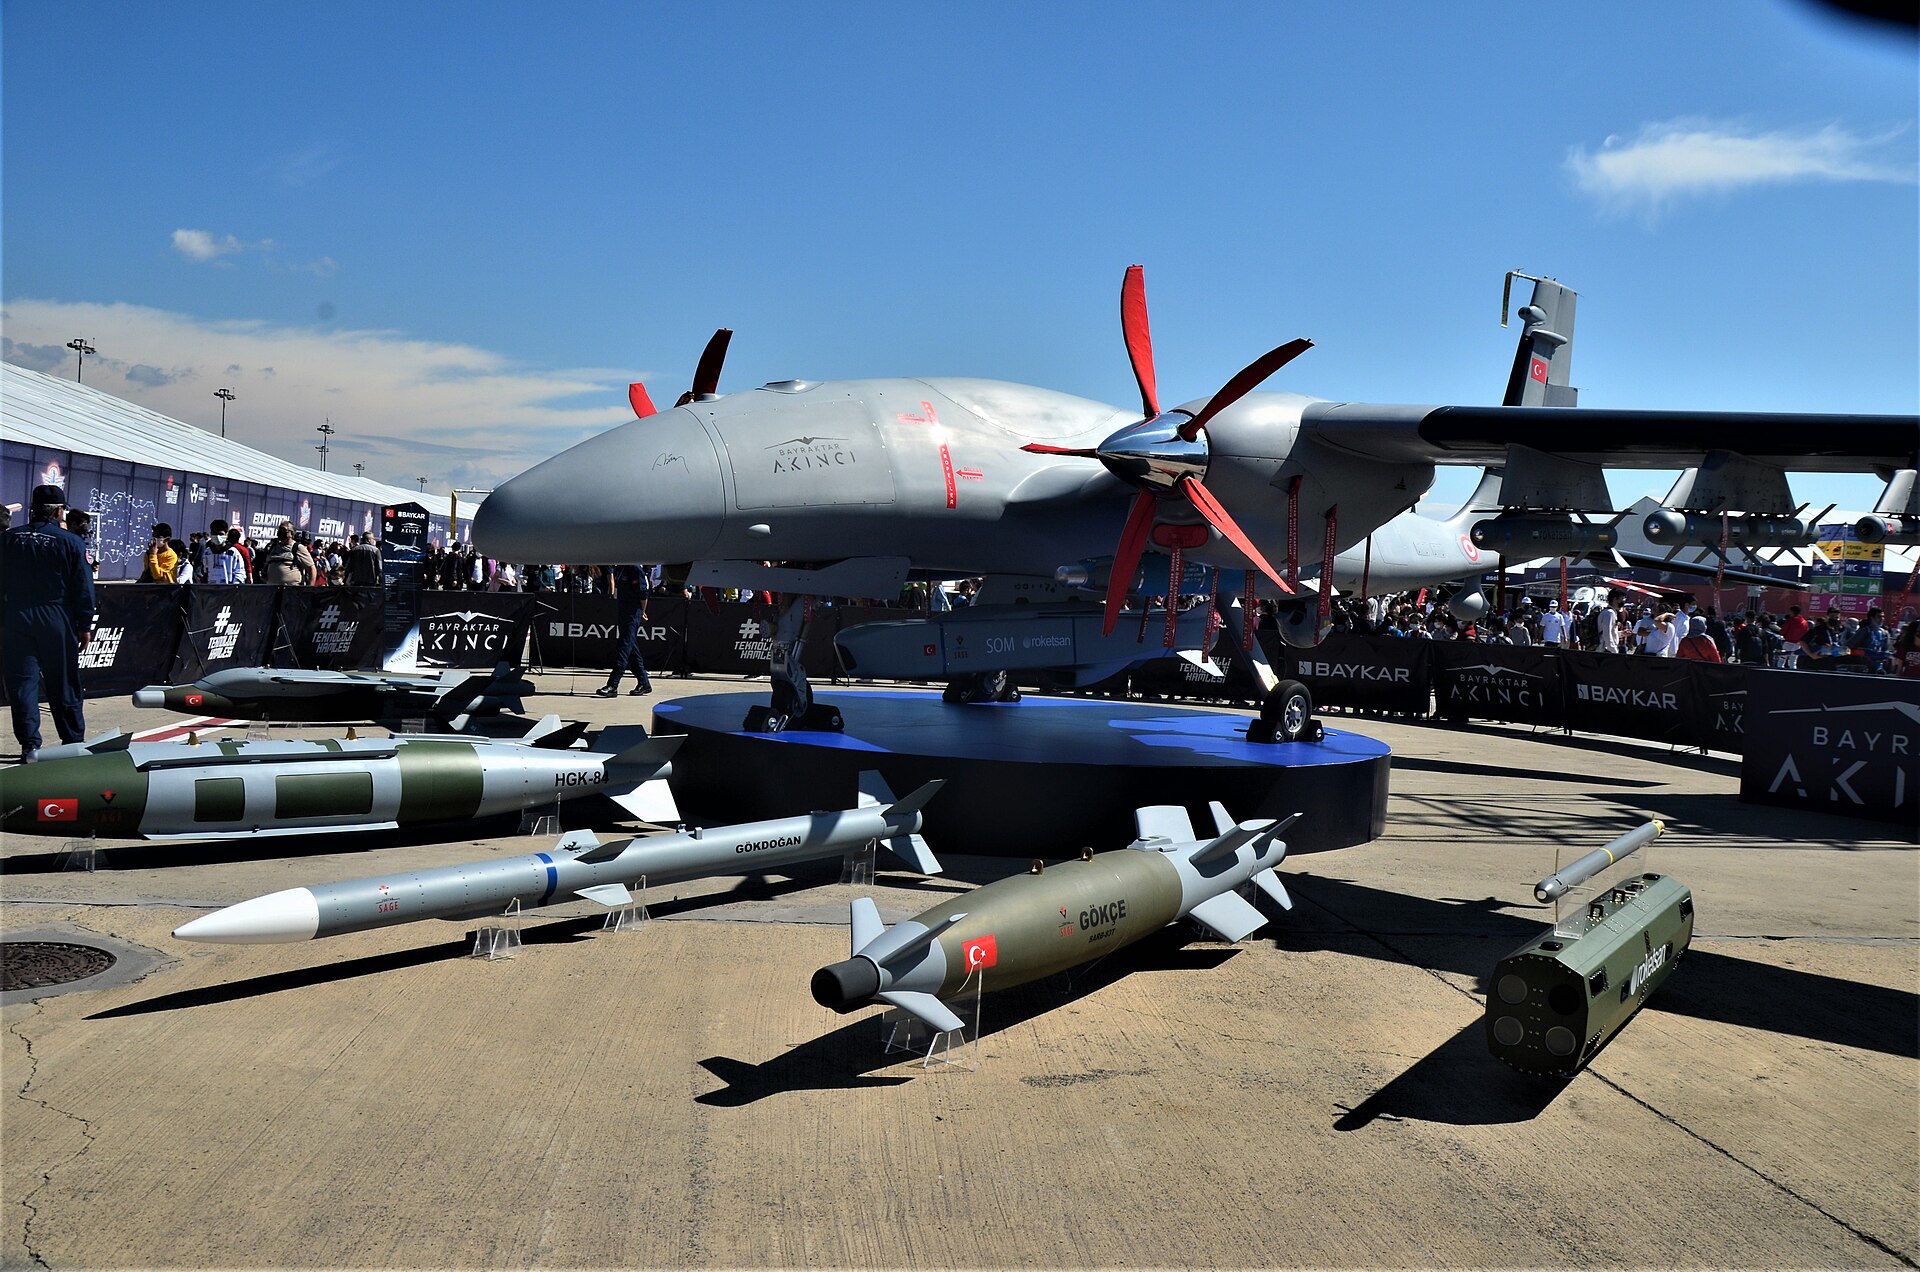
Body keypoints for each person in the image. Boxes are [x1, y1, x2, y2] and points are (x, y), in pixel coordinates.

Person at [0, 484, 96, 762]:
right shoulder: (70, 541)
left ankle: (30, 745)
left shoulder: (8, 540)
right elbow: (83, 587)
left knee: (22, 685)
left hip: (17, 617)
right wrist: (85, 623)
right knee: (63, 682)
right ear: (58, 511)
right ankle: (72, 742)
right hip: (56, 617)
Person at [597, 563, 654, 697]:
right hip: (623, 611)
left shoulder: (634, 569)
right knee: (632, 648)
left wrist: (642, 613)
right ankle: (644, 682)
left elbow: (643, 594)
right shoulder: (620, 568)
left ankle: (613, 684)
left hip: (633, 612)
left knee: (624, 647)